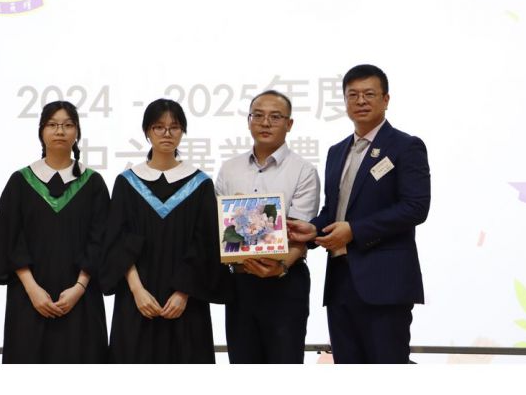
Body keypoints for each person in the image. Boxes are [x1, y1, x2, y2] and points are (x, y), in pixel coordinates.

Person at [288, 64, 431, 363]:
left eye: (369, 94)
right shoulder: (336, 151)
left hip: (385, 283)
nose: (361, 101)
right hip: (340, 282)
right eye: (353, 95)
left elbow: (416, 207)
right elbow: (334, 211)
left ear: (386, 99)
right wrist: (312, 231)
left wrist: (355, 230)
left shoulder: (406, 146)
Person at [0, 101, 109, 363]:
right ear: (41, 131)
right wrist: (32, 288)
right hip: (29, 300)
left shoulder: (93, 183)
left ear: (77, 132)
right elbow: (9, 237)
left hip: (81, 300)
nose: (60, 131)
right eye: (52, 125)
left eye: (68, 125)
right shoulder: (21, 182)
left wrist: (79, 287)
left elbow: (101, 239)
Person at [101, 99, 226, 363]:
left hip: (185, 303)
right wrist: (137, 290)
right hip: (136, 301)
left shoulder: (200, 184)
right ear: (147, 131)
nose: (167, 133)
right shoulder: (127, 183)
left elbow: (206, 244)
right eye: (159, 127)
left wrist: (183, 293)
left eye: (175, 127)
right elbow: (117, 241)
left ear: (183, 132)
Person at [215, 90, 320, 364]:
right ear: (248, 121)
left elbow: (299, 231)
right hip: (239, 282)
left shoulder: (303, 171)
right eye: (258, 115)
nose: (265, 123)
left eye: (275, 117)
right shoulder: (229, 169)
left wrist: (281, 266)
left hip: (285, 281)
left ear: (289, 124)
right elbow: (219, 227)